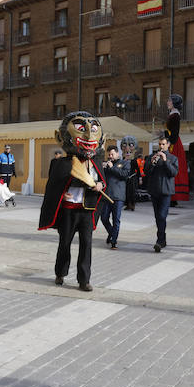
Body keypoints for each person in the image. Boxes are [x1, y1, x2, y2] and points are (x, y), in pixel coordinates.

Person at [39, 111, 106, 291]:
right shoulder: (61, 163)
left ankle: (84, 280)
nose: (88, 135)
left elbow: (103, 183)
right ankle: (60, 273)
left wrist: (99, 185)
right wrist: (62, 195)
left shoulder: (97, 163)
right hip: (68, 210)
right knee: (65, 244)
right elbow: (53, 187)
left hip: (87, 211)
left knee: (87, 246)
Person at [145, 135, 178, 252]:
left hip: (166, 191)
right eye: (159, 144)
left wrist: (165, 161)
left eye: (163, 144)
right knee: (157, 217)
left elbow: (173, 173)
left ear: (168, 145)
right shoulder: (151, 156)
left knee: (162, 216)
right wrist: (152, 163)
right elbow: (146, 172)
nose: (161, 146)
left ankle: (160, 240)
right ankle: (162, 240)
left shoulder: (173, 158)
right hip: (154, 191)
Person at [100, 144, 129, 250]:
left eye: (112, 154)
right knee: (103, 218)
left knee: (116, 220)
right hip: (107, 195)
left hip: (118, 196)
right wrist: (102, 169)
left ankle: (114, 241)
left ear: (117, 153)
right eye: (109, 154)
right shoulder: (107, 164)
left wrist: (113, 168)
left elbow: (124, 175)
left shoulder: (125, 163)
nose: (110, 156)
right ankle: (112, 233)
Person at [165, 94, 190, 206]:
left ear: (174, 103)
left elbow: (174, 132)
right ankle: (172, 196)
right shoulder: (172, 114)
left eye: (169, 101)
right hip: (172, 141)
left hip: (173, 143)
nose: (167, 102)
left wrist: (169, 143)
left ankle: (173, 196)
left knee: (171, 166)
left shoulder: (175, 115)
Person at [120, 135, 139, 211]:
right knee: (126, 192)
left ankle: (132, 204)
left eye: (131, 145)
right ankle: (128, 204)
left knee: (132, 192)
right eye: (125, 145)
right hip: (125, 178)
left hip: (132, 178)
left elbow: (137, 169)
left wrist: (139, 178)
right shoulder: (123, 160)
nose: (127, 148)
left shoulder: (134, 160)